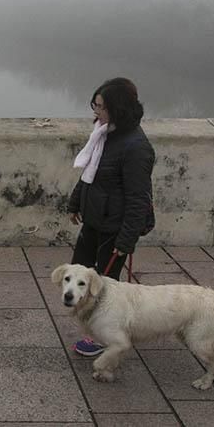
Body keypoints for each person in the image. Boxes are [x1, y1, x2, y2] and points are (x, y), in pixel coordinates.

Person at [66, 77, 156, 356]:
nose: (96, 111)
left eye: (101, 106)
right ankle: (90, 325)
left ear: (117, 108)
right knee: (78, 272)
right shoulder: (105, 133)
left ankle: (104, 337)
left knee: (102, 286)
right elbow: (91, 175)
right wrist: (74, 203)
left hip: (114, 228)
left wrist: (126, 239)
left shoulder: (136, 147)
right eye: (95, 105)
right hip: (95, 220)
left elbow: (138, 198)